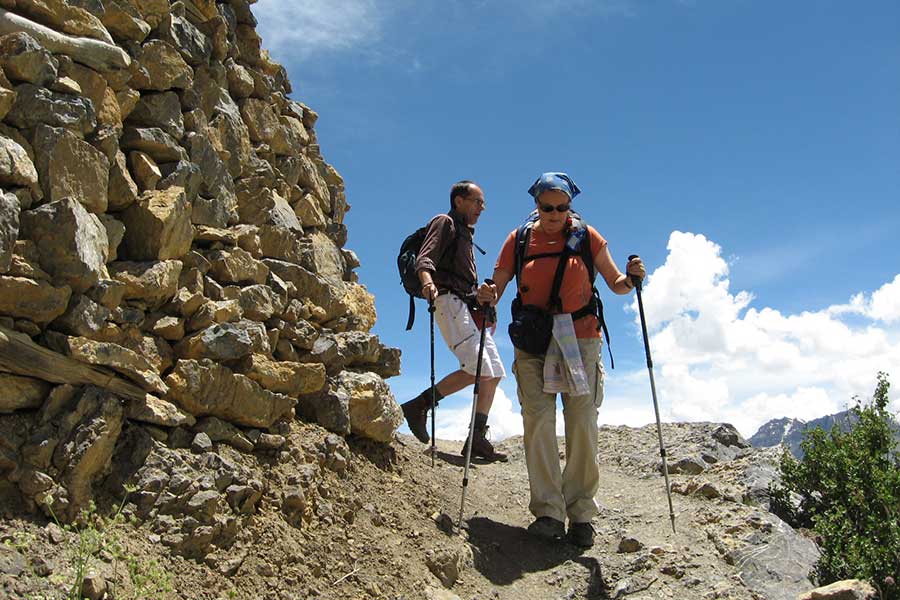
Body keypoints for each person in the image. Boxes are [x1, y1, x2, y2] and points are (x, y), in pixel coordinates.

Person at [481, 172, 645, 547]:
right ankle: (549, 513)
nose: (554, 214)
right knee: (538, 420)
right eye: (547, 207)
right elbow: (498, 283)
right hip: (534, 341)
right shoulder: (519, 239)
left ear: (570, 205)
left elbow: (617, 283)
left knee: (582, 421)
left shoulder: (588, 236)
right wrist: (488, 293)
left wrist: (633, 279)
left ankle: (582, 514)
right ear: (536, 206)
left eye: (561, 207)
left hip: (581, 337)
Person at [400, 180, 508, 462]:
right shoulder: (444, 222)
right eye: (477, 201)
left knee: (494, 372)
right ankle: (419, 405)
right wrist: (427, 284)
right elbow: (425, 259)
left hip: (464, 306)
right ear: (459, 200)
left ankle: (477, 437)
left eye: (482, 203)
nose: (482, 207)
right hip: (448, 302)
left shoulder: (465, 234)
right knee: (479, 369)